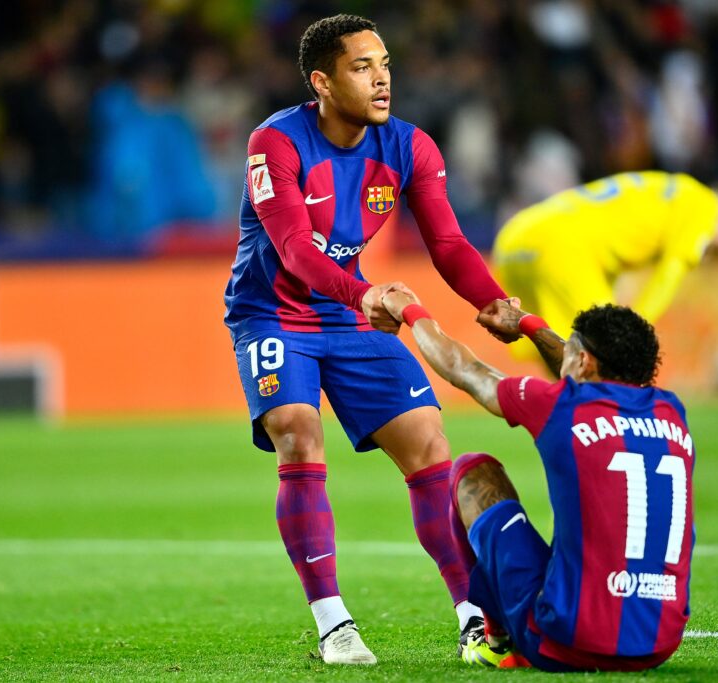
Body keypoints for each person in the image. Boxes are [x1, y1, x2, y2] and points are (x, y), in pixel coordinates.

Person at [222, 14, 515, 665]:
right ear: (322, 82)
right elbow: (295, 250)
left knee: (428, 442)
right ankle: (334, 625)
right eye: (362, 66)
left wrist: (490, 301)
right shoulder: (275, 142)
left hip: (351, 314)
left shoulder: (410, 147)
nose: (382, 78)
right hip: (273, 314)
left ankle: (473, 616)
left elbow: (447, 242)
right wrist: (367, 293)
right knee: (297, 428)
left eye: (385, 64)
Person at [379, 290, 695, 672]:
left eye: (570, 353)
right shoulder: (672, 413)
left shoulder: (562, 404)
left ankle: (496, 641)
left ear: (583, 360)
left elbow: (464, 370)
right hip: (658, 643)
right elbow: (582, 361)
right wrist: (529, 324)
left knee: (471, 471)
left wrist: (410, 310)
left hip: (566, 642)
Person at [492, 171, 718, 356]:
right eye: (715, 250)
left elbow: (611, 244)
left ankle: (568, 418)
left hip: (516, 238)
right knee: (606, 353)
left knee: (560, 351)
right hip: (564, 247)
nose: (707, 256)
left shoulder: (665, 191)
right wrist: (634, 327)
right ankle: (594, 425)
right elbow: (670, 274)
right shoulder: (706, 206)